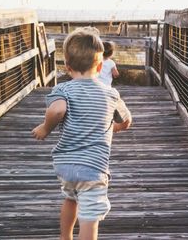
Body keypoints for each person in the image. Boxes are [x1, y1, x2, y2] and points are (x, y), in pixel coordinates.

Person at [32, 28, 132, 240]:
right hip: (93, 168)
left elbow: (58, 110)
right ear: (100, 65)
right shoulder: (111, 93)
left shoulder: (62, 90)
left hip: (65, 165)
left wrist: (45, 128)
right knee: (90, 216)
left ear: (67, 67)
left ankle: (65, 237)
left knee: (70, 199)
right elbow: (126, 120)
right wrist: (115, 127)